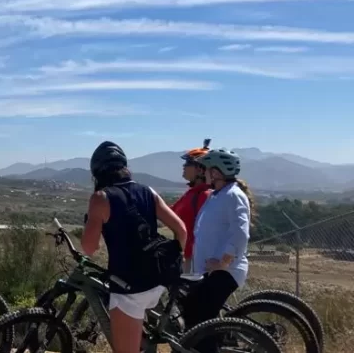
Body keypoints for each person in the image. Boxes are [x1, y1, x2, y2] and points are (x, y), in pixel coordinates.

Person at [81, 141, 187, 353]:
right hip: (157, 281)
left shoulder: (100, 198)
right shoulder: (147, 191)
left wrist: (91, 223)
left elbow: (88, 249)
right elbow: (181, 230)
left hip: (129, 289)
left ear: (97, 172)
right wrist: (178, 256)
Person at [181, 148, 254, 353]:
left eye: (207, 169)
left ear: (217, 172)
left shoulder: (233, 195)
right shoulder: (216, 195)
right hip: (211, 269)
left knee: (201, 319)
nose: (204, 173)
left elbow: (240, 232)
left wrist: (223, 261)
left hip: (226, 270)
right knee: (193, 313)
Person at [171, 139, 213, 273]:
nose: (184, 166)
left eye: (188, 163)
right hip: (186, 255)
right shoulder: (192, 193)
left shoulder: (205, 196)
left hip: (195, 259)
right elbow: (169, 212)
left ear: (200, 170)